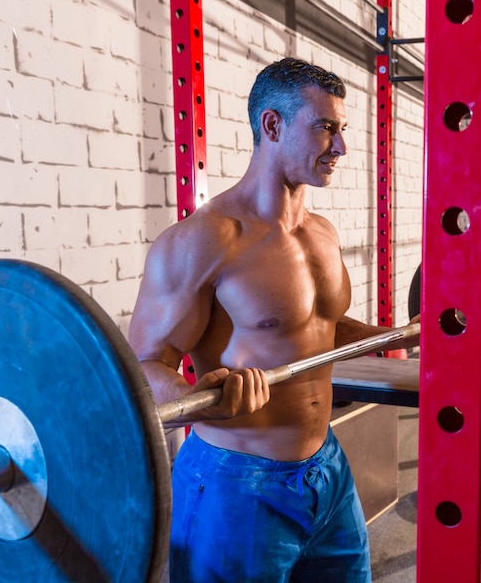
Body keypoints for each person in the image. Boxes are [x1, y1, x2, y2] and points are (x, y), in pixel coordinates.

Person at [129, 57, 419, 583]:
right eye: (325, 128)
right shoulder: (205, 239)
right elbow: (145, 368)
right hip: (236, 484)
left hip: (325, 469)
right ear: (272, 125)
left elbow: (321, 326)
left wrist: (402, 337)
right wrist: (209, 402)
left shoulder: (323, 234)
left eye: (341, 129)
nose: (341, 148)